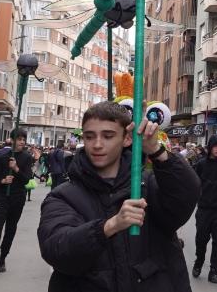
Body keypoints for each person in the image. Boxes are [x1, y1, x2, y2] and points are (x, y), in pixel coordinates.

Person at [38, 100, 199, 291]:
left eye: (108, 136)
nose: (97, 144)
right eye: (90, 137)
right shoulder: (64, 196)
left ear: (127, 139)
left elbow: (186, 196)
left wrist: (157, 152)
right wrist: (108, 226)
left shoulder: (147, 186)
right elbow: (56, 249)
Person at [0, 128, 34, 279]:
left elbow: (27, 179)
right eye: (19, 139)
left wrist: (16, 169)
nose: (22, 142)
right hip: (2, 196)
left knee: (10, 229)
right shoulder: (1, 155)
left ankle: (2, 258)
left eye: (24, 139)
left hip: (17, 197)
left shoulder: (26, 157)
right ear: (12, 140)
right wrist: (3, 181)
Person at [192, 134, 217, 283]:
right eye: (215, 146)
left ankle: (214, 270)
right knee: (201, 239)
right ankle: (199, 261)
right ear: (210, 147)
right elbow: (194, 183)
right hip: (204, 208)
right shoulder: (201, 164)